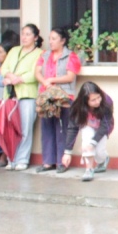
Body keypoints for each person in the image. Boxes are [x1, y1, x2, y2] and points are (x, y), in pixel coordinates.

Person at [35, 27, 82, 173]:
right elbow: (37, 72)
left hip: (63, 97)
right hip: (46, 96)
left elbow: (70, 76)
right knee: (47, 128)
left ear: (63, 41)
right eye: (50, 38)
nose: (51, 41)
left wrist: (52, 80)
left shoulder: (71, 56)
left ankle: (62, 162)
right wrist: (45, 81)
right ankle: (48, 162)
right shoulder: (44, 55)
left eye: (54, 39)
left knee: (62, 129)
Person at [1, 24, 44, 171]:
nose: (24, 37)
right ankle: (11, 159)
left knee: (25, 129)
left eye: (28, 34)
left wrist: (18, 79)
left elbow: (35, 74)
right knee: (10, 128)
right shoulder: (14, 50)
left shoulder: (40, 53)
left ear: (35, 37)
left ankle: (22, 160)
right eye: (23, 34)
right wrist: (10, 76)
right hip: (10, 94)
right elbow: (4, 68)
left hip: (27, 95)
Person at [62, 82, 114, 182]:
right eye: (93, 100)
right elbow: (72, 128)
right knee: (86, 141)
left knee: (99, 152)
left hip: (102, 127)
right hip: (87, 124)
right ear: (85, 101)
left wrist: (93, 143)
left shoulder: (107, 101)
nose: (97, 101)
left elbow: (105, 125)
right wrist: (67, 152)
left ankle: (103, 159)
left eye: (98, 97)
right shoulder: (77, 108)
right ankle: (89, 169)